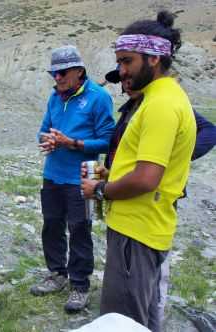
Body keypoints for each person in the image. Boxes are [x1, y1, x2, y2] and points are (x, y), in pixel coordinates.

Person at [81, 11, 197, 331]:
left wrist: (100, 190)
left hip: (137, 232)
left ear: (154, 58)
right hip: (141, 228)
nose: (121, 70)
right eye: (119, 62)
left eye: (127, 61)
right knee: (143, 320)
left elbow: (147, 178)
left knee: (123, 322)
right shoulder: (158, 98)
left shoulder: (160, 104)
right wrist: (112, 175)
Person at [102, 64, 216, 330]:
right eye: (120, 80)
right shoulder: (136, 107)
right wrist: (112, 172)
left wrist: (172, 159)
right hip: (129, 203)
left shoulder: (160, 106)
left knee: (143, 293)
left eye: (127, 71)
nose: (125, 83)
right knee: (145, 297)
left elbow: (209, 131)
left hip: (143, 214)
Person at [30, 45, 115, 313]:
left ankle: (79, 285)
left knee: (80, 228)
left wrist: (72, 143)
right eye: (54, 73)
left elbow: (108, 141)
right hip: (53, 173)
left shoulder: (99, 97)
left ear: (79, 71)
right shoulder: (54, 97)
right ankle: (57, 273)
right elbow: (43, 131)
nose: (57, 78)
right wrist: (48, 141)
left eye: (63, 72)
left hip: (83, 176)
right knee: (52, 225)